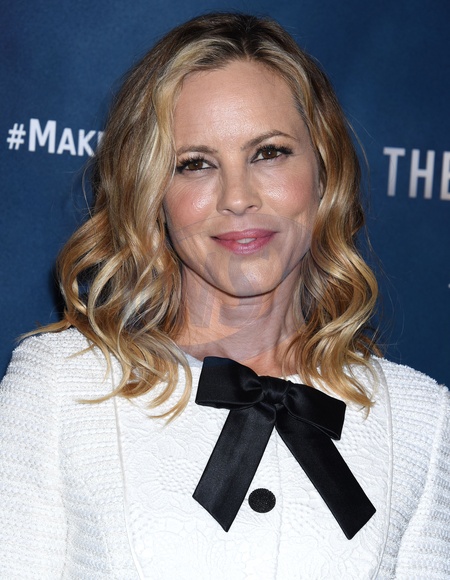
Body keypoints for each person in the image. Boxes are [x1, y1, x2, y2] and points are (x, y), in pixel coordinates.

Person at [1, 12, 449, 580]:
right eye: (195, 164)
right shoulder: (62, 387)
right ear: (152, 192)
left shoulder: (419, 421)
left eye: (269, 153)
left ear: (325, 170)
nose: (237, 197)